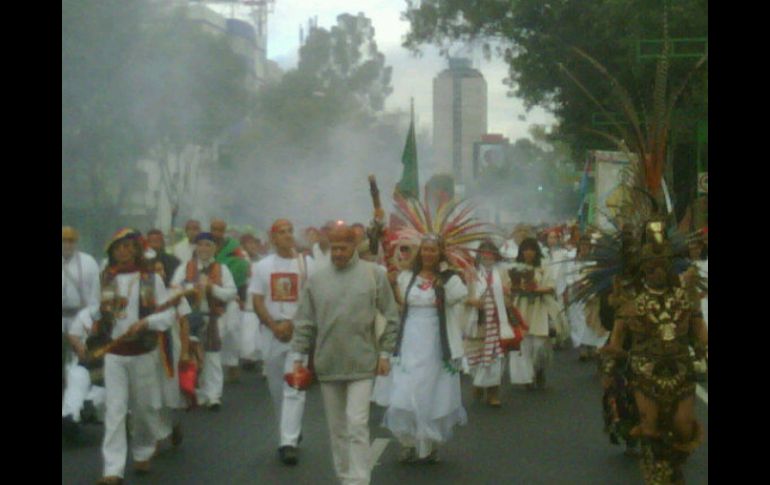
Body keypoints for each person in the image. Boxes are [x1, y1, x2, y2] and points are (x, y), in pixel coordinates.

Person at [291, 224, 399, 484]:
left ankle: (359, 480)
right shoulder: (317, 279)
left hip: (363, 362)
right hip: (328, 364)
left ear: (354, 246)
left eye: (343, 247)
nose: (338, 253)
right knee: (337, 429)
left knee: (357, 423)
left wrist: (385, 354)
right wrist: (297, 359)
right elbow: (304, 321)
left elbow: (391, 316)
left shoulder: (374, 274)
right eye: (334, 247)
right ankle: (344, 476)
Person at [601, 222, 708, 484]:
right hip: (645, 371)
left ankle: (674, 461)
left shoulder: (685, 297)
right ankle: (656, 471)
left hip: (682, 369)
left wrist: (704, 349)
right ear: (643, 271)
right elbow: (616, 340)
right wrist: (609, 366)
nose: (656, 272)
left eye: (660, 267)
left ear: (668, 268)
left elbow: (700, 331)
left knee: (684, 425)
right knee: (650, 425)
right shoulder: (631, 304)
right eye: (650, 268)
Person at [96, 229, 175, 484]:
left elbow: (167, 315)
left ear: (136, 249)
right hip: (114, 354)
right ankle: (112, 469)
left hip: (143, 353)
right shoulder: (105, 278)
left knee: (143, 409)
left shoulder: (152, 279)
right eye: (117, 247)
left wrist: (146, 322)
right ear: (112, 251)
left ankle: (143, 450)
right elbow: (93, 311)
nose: (122, 251)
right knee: (115, 409)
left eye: (127, 246)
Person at [383, 233, 471, 463]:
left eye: (433, 250)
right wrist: (392, 285)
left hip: (437, 344)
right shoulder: (407, 277)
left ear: (440, 253)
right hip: (410, 341)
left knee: (432, 393)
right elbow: (402, 304)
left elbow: (460, 297)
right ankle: (408, 443)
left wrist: (445, 279)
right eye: (425, 249)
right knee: (405, 392)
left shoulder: (449, 279)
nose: (428, 254)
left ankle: (429, 445)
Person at [250, 219, 314, 466]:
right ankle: (291, 429)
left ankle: (287, 442)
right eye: (282, 232)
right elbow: (257, 300)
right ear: (272, 238)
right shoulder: (262, 266)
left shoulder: (307, 265)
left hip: (298, 333)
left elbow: (312, 298)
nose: (288, 236)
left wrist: (293, 323)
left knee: (294, 384)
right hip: (272, 332)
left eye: (290, 231)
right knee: (277, 388)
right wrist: (274, 325)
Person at [170, 232, 237, 411]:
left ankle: (213, 395)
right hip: (189, 317)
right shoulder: (185, 267)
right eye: (201, 245)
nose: (204, 249)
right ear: (196, 247)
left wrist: (212, 288)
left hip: (212, 317)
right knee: (189, 355)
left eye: (208, 245)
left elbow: (231, 293)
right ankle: (191, 393)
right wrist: (192, 288)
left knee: (212, 356)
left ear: (214, 248)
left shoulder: (222, 269)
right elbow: (174, 288)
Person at [464, 239, 518, 407]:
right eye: (484, 254)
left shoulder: (502, 274)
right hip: (476, 322)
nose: (487, 258)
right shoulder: (470, 273)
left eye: (490, 254)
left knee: (496, 359)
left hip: (496, 321)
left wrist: (505, 294)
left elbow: (510, 296)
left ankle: (493, 394)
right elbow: (460, 296)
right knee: (476, 358)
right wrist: (472, 301)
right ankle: (479, 383)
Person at [62, 226, 102, 439]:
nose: (66, 245)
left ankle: (71, 412)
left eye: (70, 241)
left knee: (77, 366)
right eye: (63, 241)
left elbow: (95, 297)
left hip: (81, 318)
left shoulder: (88, 263)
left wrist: (89, 322)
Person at [509, 237, 561, 389]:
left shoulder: (544, 267)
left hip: (540, 307)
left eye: (531, 249)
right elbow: (509, 288)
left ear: (536, 251)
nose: (528, 253)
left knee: (540, 345)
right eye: (525, 249)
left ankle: (539, 370)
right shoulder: (515, 268)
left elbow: (551, 287)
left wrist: (535, 289)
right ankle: (527, 376)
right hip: (522, 308)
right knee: (524, 344)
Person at [211, 218, 250, 383]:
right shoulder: (204, 246)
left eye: (220, 230)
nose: (216, 233)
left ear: (224, 231)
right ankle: (213, 368)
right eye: (214, 229)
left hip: (232, 295)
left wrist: (241, 296)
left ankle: (233, 364)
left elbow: (241, 270)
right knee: (214, 334)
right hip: (210, 296)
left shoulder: (234, 250)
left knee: (232, 332)